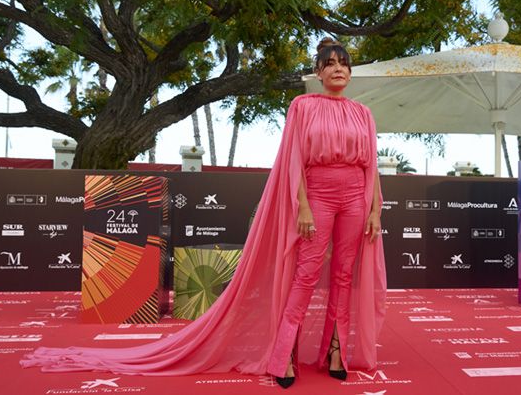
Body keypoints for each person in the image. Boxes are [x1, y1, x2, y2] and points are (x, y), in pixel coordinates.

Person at [21, 38, 386, 387]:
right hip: (317, 196)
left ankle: (336, 351)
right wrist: (302, 205)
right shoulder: (302, 107)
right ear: (317, 73)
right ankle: (284, 354)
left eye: (343, 64)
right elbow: (294, 160)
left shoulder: (364, 114)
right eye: (330, 64)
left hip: (356, 198)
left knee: (342, 276)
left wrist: (375, 211)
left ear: (350, 74)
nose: (338, 69)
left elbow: (371, 166)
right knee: (306, 275)